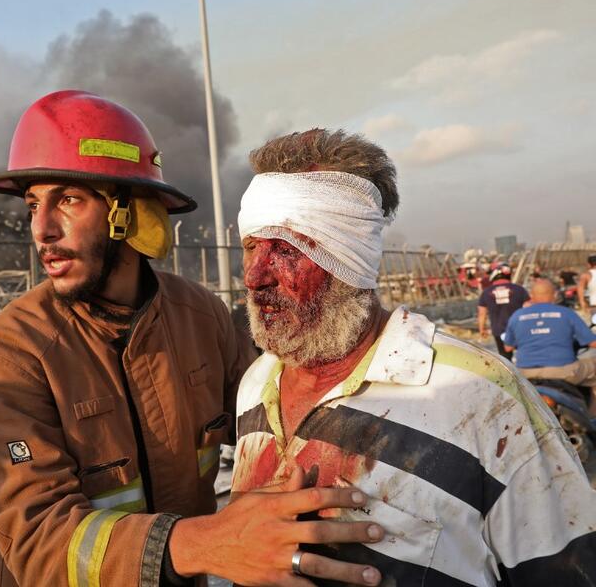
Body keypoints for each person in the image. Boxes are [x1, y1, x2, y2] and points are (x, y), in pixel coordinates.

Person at [0, 92, 386, 587]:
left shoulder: (200, 317)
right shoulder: (9, 356)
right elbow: (37, 540)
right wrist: (209, 543)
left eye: (68, 200)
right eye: (34, 205)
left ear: (130, 213)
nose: (41, 230)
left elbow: (275, 421)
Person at [231, 128, 596, 586]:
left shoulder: (480, 395)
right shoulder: (255, 384)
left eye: (285, 249)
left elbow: (568, 571)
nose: (253, 276)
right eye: (250, 247)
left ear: (352, 259)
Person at [503, 277, 596, 415]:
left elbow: (507, 348)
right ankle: (592, 418)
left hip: (526, 373)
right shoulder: (566, 313)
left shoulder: (517, 316)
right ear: (555, 295)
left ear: (531, 296)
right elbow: (593, 343)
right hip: (564, 371)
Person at [477, 263, 529, 360]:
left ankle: (510, 375)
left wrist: (481, 329)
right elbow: (529, 309)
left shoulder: (486, 292)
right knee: (525, 356)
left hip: (499, 331)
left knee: (505, 360)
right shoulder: (519, 289)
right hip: (519, 329)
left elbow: (482, 313)